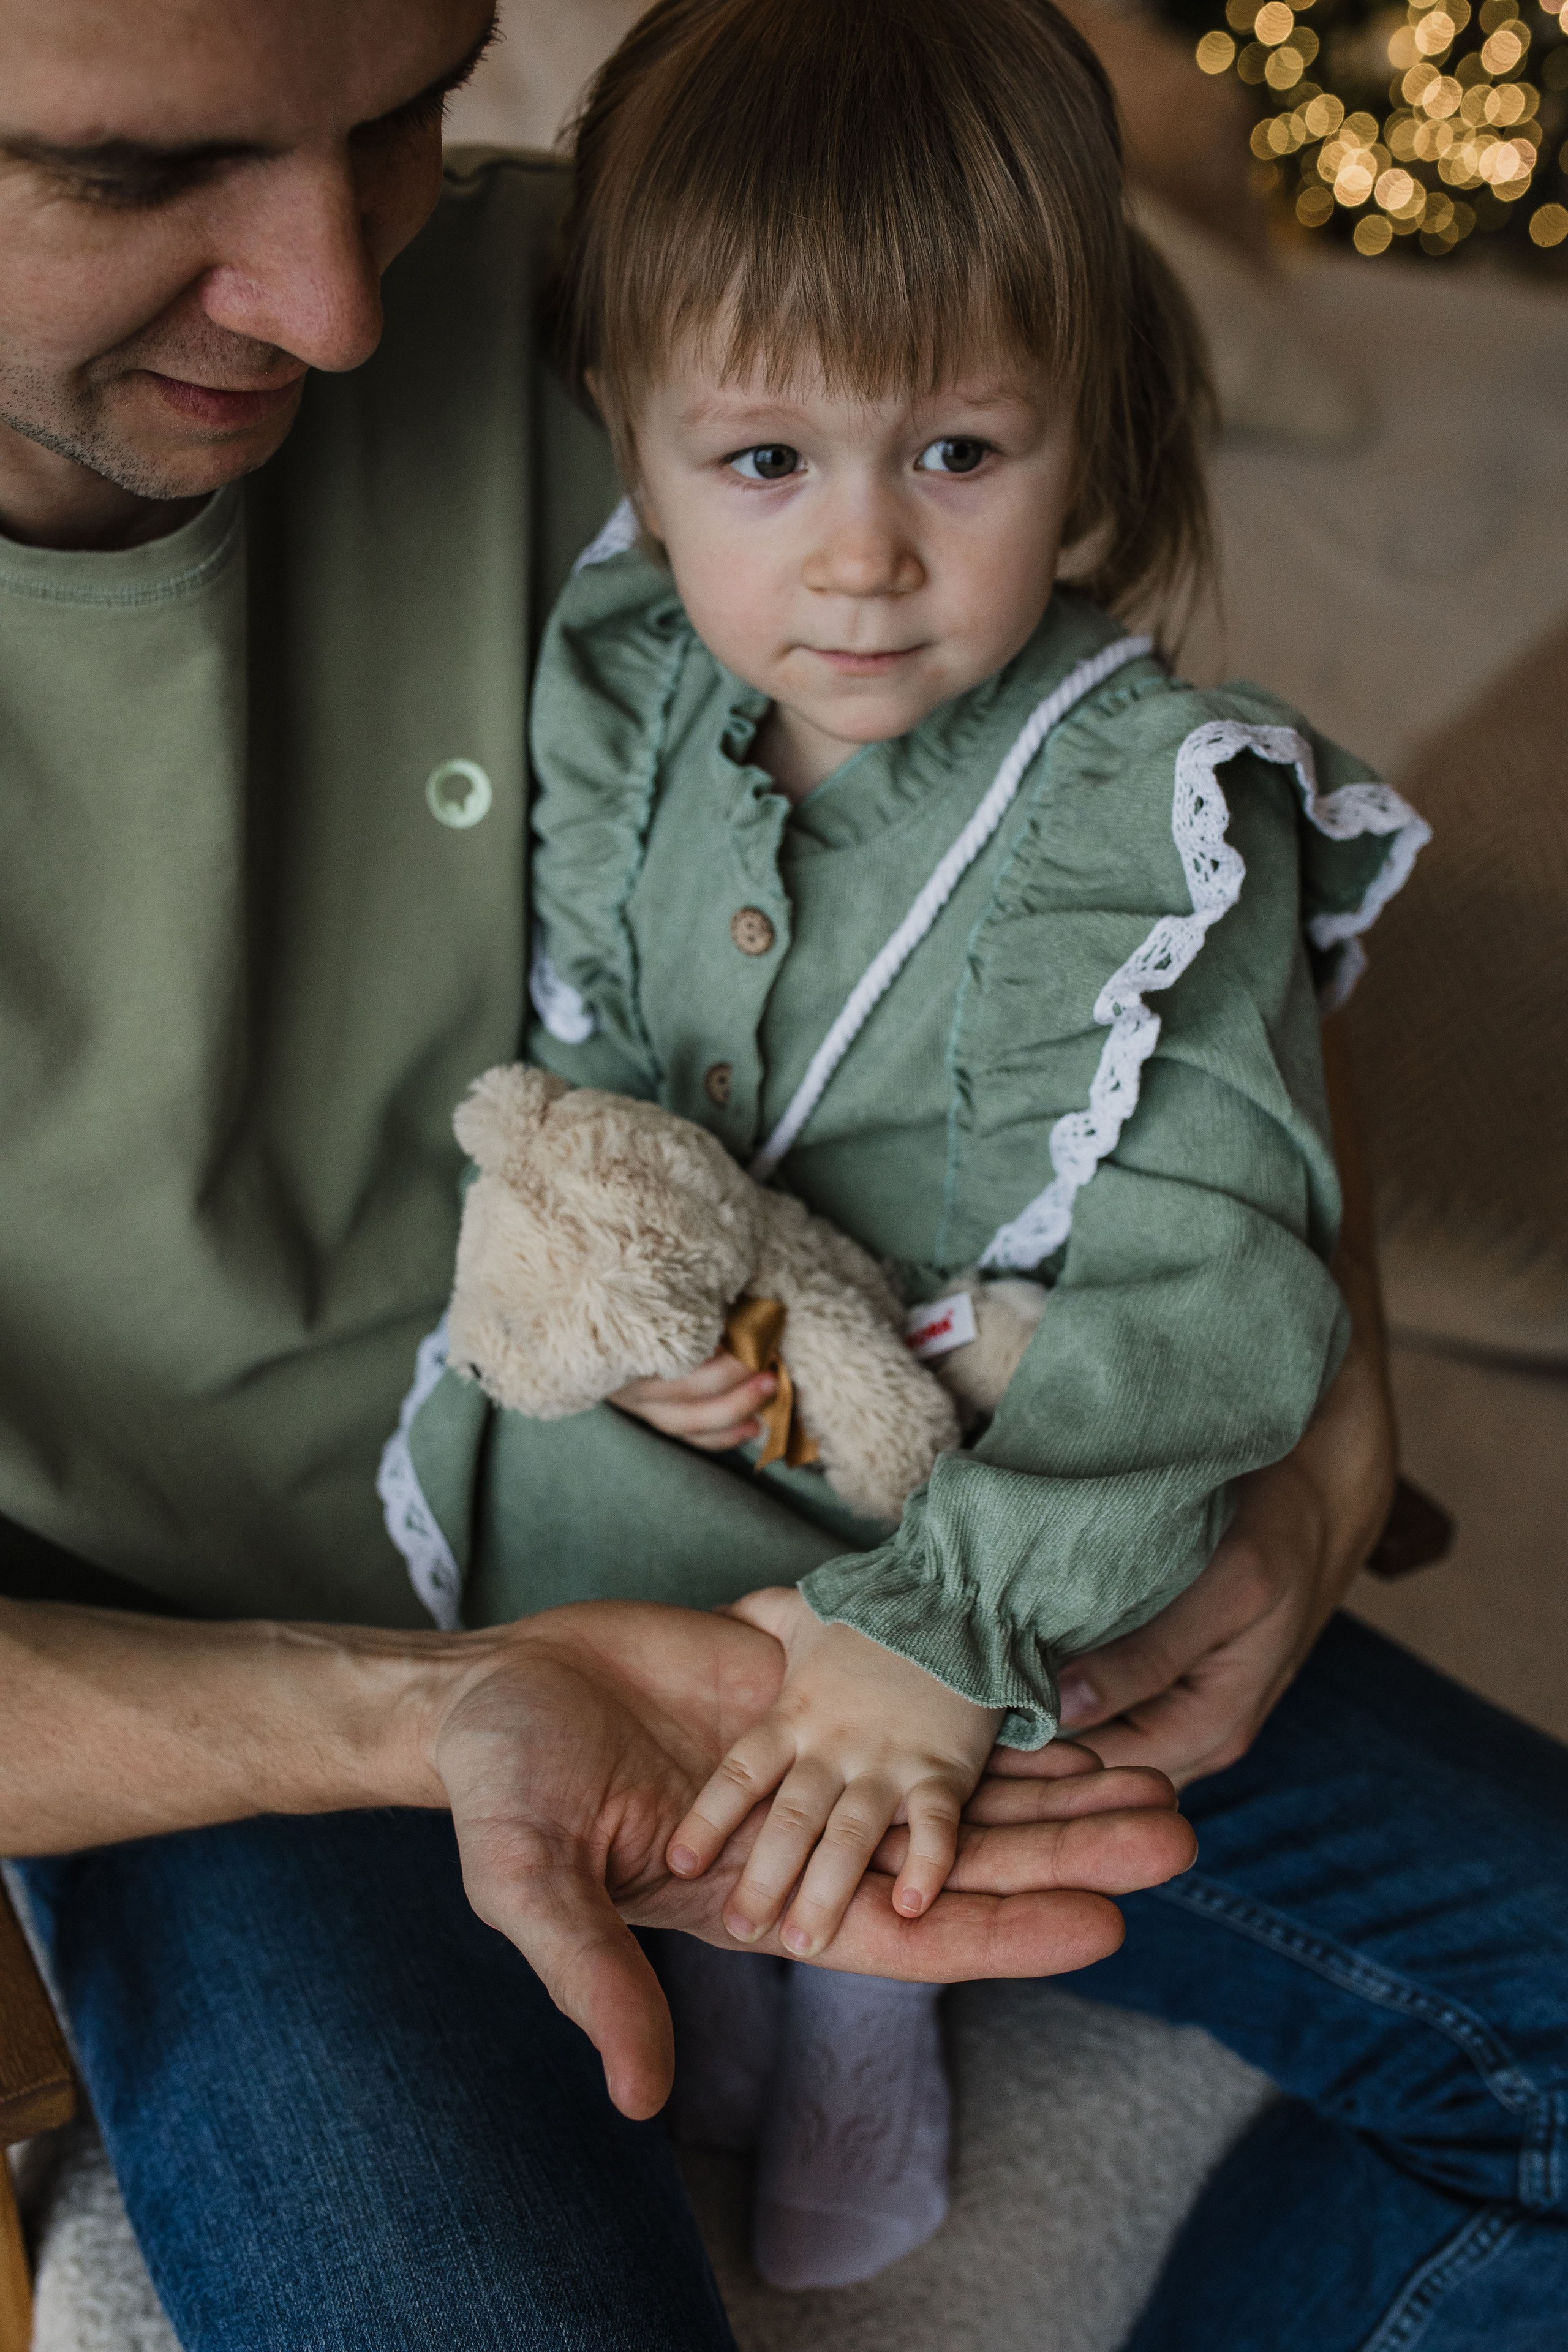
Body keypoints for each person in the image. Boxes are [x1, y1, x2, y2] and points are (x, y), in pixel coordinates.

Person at [0, 1, 1558, 2347]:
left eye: (408, 113)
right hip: (225, 1681)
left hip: (878, 1504)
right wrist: (403, 1717)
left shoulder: (636, 294)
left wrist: (1325, 1425)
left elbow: (1112, 880)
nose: (338, 303)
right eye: (142, 175)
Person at [384, 0, 1433, 2289]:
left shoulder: (1155, 814)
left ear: (1086, 426)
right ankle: (723, 1968)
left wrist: (950, 1632)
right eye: (764, 463)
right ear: (628, 442)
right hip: (654, 1449)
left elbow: (1212, 1277)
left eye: (958, 451)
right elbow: (588, 1050)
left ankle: (869, 2004)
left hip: (962, 1476)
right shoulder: (626, 687)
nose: (860, 560)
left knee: (888, 1784)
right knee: (589, 1633)